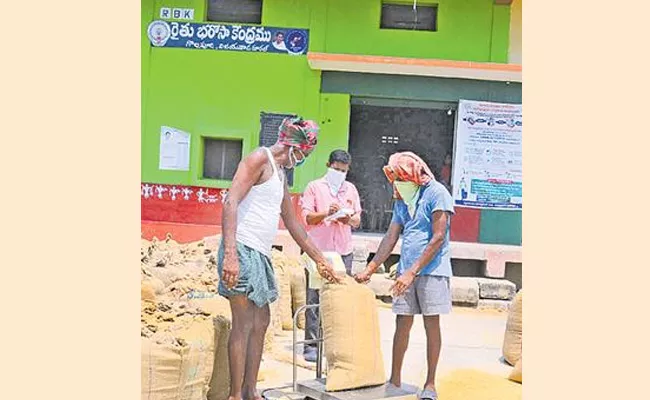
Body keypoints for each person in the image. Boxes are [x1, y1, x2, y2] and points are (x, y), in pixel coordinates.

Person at [218, 116, 342, 400]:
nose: (303, 159)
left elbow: (293, 222)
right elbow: (231, 201)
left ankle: (250, 390)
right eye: (305, 154)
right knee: (243, 322)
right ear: (293, 146)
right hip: (242, 248)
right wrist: (230, 255)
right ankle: (235, 395)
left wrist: (320, 259)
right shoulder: (259, 159)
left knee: (261, 321)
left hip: (261, 253)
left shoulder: (280, 174)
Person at [355, 151, 454, 400]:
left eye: (400, 179)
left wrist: (412, 271)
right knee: (402, 323)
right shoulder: (403, 200)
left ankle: (430, 384)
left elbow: (438, 236)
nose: (397, 185)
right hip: (405, 272)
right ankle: (395, 379)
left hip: (432, 271)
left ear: (413, 176)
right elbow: (391, 236)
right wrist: (371, 267)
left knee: (431, 324)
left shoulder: (437, 193)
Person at [300, 149, 362, 362]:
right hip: (319, 251)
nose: (339, 173)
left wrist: (346, 218)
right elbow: (307, 218)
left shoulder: (350, 189)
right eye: (336, 169)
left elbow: (357, 220)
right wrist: (327, 213)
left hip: (343, 250)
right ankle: (311, 345)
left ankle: (334, 343)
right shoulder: (314, 187)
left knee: (340, 297)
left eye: (343, 170)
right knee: (314, 297)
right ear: (328, 165)